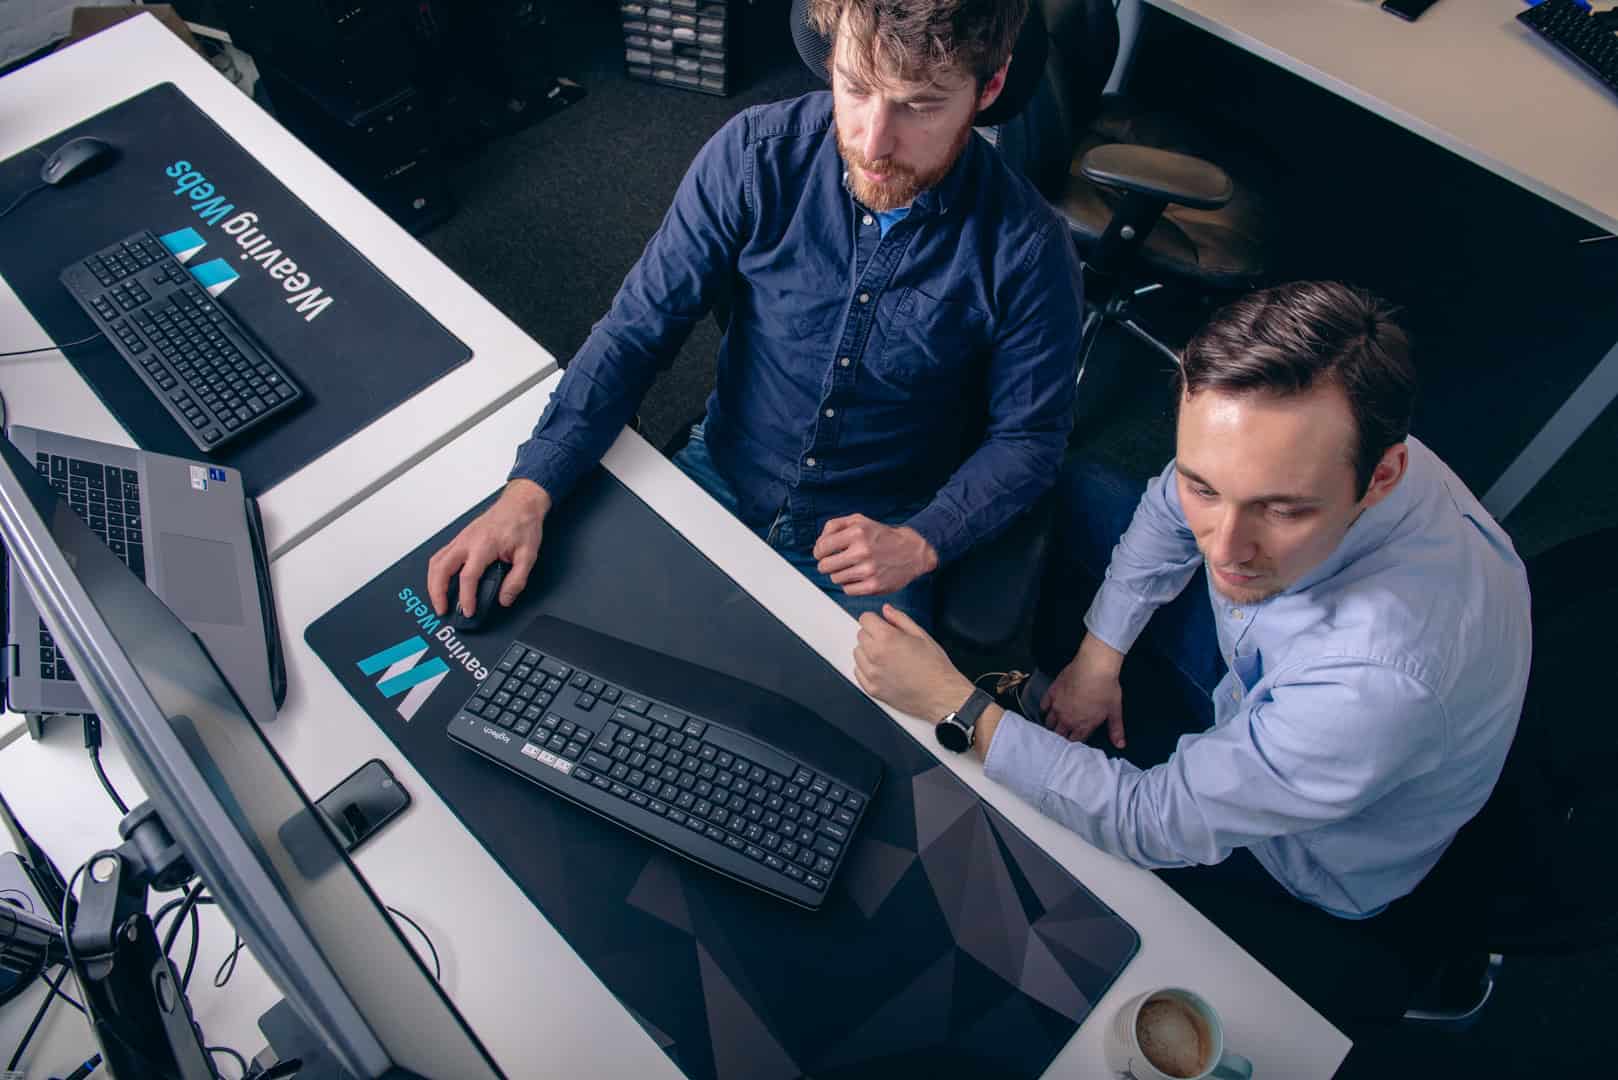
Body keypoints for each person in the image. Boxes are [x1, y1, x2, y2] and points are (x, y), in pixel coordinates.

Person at [852, 281, 1531, 1025]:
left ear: (1383, 477)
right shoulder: (1322, 441)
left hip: (1297, 861)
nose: (1226, 550)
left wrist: (960, 706)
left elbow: (1152, 820)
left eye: (1283, 508)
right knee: (1072, 489)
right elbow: (1168, 507)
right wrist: (1098, 659)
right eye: (1207, 485)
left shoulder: (1376, 684)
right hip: (1279, 676)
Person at [427, 0, 1082, 629]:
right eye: (854, 88)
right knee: (571, 649)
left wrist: (923, 542)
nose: (874, 142)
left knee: (842, 737)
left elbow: (1029, 439)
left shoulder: (1028, 249)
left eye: (919, 106)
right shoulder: (754, 155)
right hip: (721, 471)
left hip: (877, 538)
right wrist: (531, 488)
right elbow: (637, 328)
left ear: (988, 87)